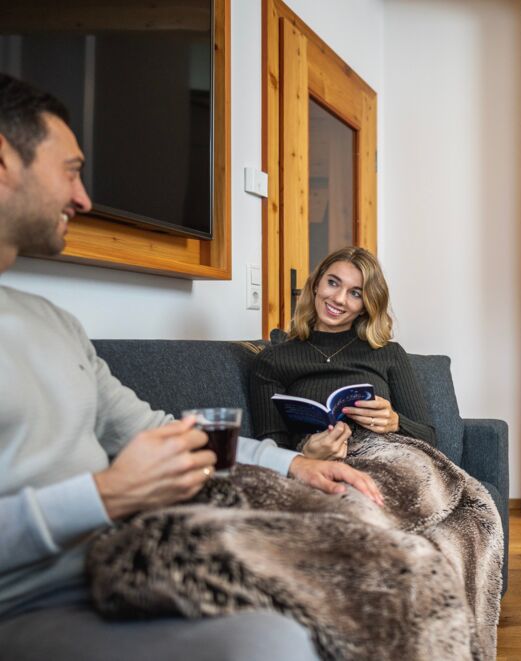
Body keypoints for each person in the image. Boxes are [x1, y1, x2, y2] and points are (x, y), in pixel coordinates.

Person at [0, 73, 382, 659]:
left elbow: (156, 430)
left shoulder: (55, 324)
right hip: (31, 603)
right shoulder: (278, 357)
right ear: (5, 164)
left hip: (129, 562)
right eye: (71, 170)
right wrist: (102, 497)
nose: (83, 198)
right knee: (268, 644)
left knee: (348, 584)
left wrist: (293, 466)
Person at [249, 246, 436, 461]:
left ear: (365, 306)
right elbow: (271, 450)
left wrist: (395, 422)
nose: (339, 299)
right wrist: (306, 455)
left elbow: (429, 438)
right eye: (333, 283)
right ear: (317, 283)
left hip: (388, 460)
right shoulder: (272, 361)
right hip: (317, 469)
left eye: (355, 293)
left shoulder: (388, 354)